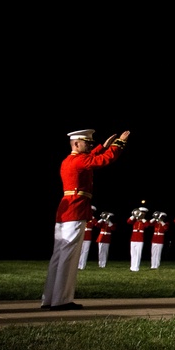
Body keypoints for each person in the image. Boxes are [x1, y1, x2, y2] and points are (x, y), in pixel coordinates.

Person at [42, 128, 130, 311]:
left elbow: (91, 159)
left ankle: (50, 298)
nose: (89, 146)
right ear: (76, 144)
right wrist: (119, 143)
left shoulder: (70, 160)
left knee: (58, 256)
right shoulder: (79, 160)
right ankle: (61, 300)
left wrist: (101, 147)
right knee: (69, 257)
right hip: (75, 210)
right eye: (87, 143)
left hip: (66, 211)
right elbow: (104, 160)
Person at [127, 207, 152, 271]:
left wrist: (143, 219)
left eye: (143, 213)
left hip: (140, 239)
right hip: (133, 239)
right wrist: (134, 215)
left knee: (138, 254)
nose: (141, 214)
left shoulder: (144, 221)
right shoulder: (135, 220)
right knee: (132, 254)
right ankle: (132, 267)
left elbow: (147, 225)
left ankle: (136, 267)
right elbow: (128, 221)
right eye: (140, 213)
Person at [77, 206, 98, 270]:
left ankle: (82, 266)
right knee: (79, 251)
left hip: (88, 237)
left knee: (85, 251)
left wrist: (92, 218)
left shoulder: (92, 219)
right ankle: (78, 265)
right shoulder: (82, 217)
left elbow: (96, 225)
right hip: (81, 235)